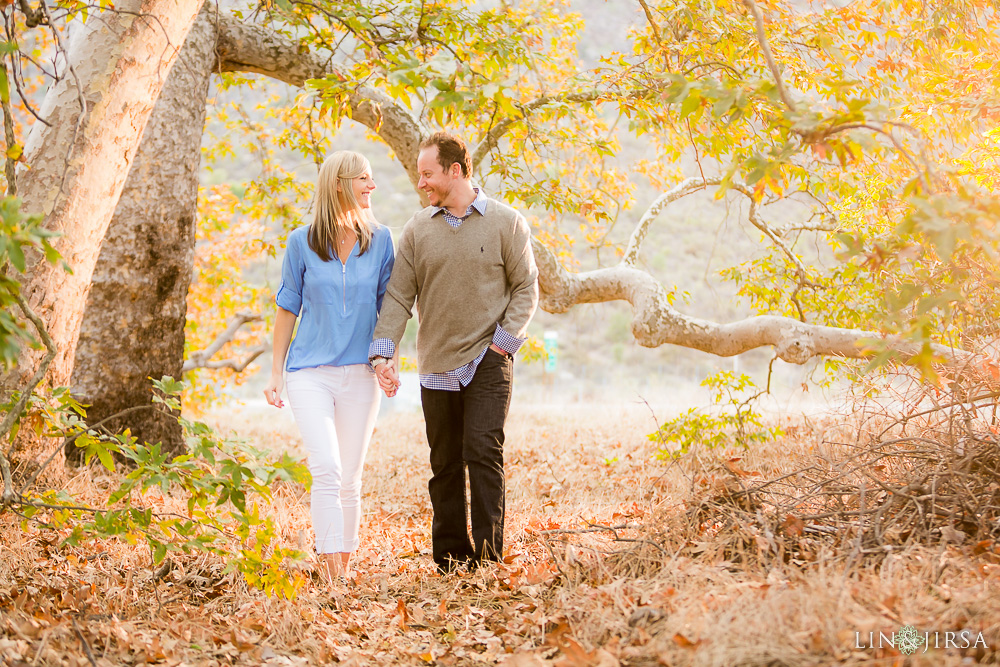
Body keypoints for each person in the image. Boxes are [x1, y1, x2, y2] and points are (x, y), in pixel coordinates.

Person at [369, 132, 538, 572]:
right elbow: (398, 298)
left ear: (455, 171)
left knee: (483, 453)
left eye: (428, 174)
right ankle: (449, 560)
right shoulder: (417, 230)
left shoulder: (506, 222)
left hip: (488, 358)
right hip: (437, 364)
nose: (421, 183)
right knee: (444, 463)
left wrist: (503, 345)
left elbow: (526, 289)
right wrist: (383, 353)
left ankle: (486, 559)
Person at [264, 150, 395, 588]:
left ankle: (345, 563)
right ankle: (329, 570)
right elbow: (287, 308)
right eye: (364, 178)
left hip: (360, 373)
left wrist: (387, 362)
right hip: (309, 374)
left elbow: (388, 310)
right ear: (339, 184)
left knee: (351, 477)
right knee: (327, 468)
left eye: (372, 178)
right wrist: (275, 372)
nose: (371, 186)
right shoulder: (301, 242)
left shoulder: (382, 241)